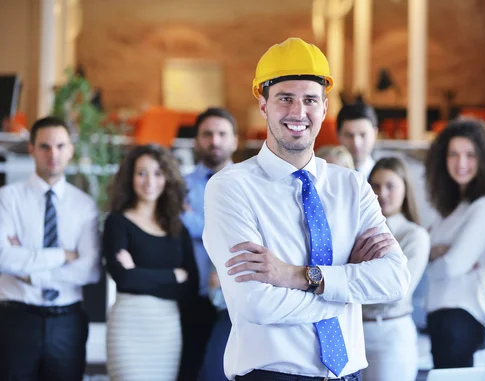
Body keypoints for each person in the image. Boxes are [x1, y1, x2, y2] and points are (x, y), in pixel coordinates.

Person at [203, 37, 411, 381]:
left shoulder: (353, 186)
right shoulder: (231, 187)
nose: (298, 113)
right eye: (285, 98)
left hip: (348, 374)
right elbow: (255, 303)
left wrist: (298, 276)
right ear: (263, 105)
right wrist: (346, 293)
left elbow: (395, 280)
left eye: (310, 100)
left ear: (325, 108)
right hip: (273, 374)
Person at [0, 116, 101, 380]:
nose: (53, 154)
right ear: (31, 148)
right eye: (44, 146)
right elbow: (3, 257)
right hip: (16, 319)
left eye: (60, 146)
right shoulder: (7, 199)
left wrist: (31, 273)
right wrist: (62, 256)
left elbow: (89, 270)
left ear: (71, 150)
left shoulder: (85, 205)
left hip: (66, 324)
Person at [103, 144, 199, 381]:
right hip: (128, 323)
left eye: (157, 173)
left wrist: (137, 272)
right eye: (141, 173)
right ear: (130, 178)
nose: (149, 181)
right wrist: (173, 275)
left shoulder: (177, 228)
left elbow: (190, 286)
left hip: (166, 326)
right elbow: (123, 278)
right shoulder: (117, 222)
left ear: (167, 178)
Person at [424, 118, 485, 369]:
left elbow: (450, 267)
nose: (461, 163)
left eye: (470, 155)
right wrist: (435, 254)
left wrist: (431, 257)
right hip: (440, 315)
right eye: (454, 154)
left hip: (464, 317)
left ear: (484, 160)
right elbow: (437, 260)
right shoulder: (449, 209)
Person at [180, 107, 238, 381]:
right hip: (190, 297)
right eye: (207, 134)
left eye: (222, 134)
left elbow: (239, 235)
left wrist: (192, 221)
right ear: (196, 140)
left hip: (237, 300)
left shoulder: (250, 185)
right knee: (189, 371)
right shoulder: (178, 186)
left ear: (234, 140)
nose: (214, 141)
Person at [363, 157, 430, 381]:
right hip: (354, 332)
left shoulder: (414, 236)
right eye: (375, 185)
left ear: (404, 189)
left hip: (390, 334)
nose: (382, 193)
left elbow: (395, 292)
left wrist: (342, 288)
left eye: (390, 186)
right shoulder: (356, 231)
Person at [336, 102, 379, 177]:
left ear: (375, 134)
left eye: (363, 135)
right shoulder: (328, 175)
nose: (356, 143)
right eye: (349, 135)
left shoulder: (383, 180)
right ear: (338, 135)